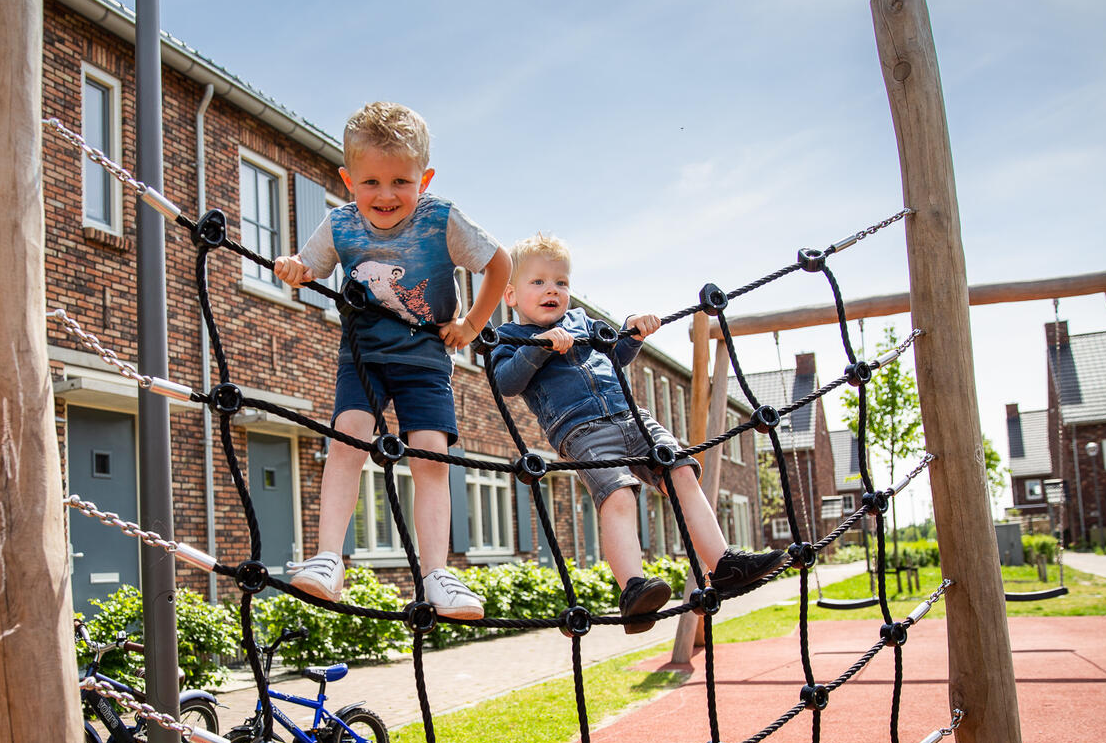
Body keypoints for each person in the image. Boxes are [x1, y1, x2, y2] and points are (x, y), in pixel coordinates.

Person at [273, 102, 511, 619]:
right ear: (347, 179)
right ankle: (329, 558)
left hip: (425, 355)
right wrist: (293, 268)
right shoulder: (340, 224)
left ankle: (435, 574)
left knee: (429, 454)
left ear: (423, 178)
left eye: (401, 181)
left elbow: (499, 263)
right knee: (347, 438)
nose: (385, 195)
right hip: (363, 352)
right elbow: (307, 267)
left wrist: (472, 324)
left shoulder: (441, 219)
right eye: (371, 182)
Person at [489, 234, 786, 632]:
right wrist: (538, 348)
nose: (552, 290)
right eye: (539, 282)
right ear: (511, 295)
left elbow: (617, 354)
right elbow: (507, 383)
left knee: (681, 470)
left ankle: (723, 564)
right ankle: (632, 588)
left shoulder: (582, 322)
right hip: (582, 431)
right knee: (619, 493)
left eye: (561, 282)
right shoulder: (508, 339)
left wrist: (633, 332)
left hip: (633, 416)